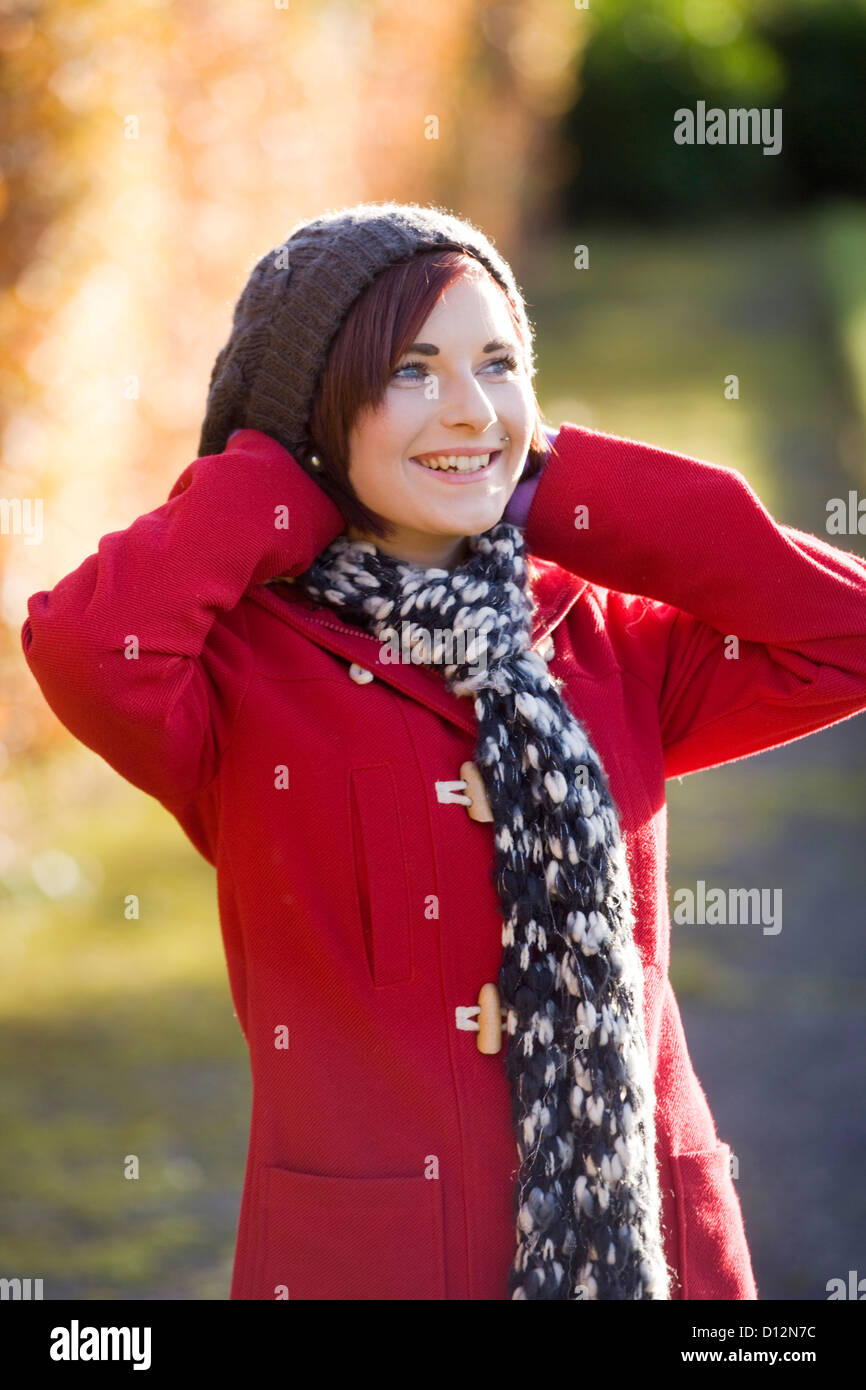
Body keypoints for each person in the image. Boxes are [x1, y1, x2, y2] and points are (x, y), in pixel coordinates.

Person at [20, 200, 866, 1301]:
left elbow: (838, 633)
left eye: (497, 364)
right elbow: (83, 645)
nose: (468, 408)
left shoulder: (599, 641)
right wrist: (279, 480)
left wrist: (556, 484)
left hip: (653, 1253)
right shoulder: (231, 678)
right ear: (315, 408)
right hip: (369, 1263)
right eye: (411, 370)